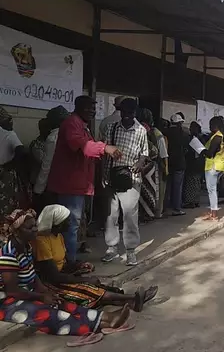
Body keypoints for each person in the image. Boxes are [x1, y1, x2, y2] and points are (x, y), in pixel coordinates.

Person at [0, 209, 131, 343]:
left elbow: (33, 275)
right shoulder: (8, 254)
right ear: (16, 231)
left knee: (62, 303)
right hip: (6, 302)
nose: (35, 229)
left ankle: (106, 317)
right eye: (30, 227)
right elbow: (12, 290)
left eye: (35, 225)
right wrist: (41, 296)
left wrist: (45, 291)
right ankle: (100, 325)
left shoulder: (26, 247)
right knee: (47, 314)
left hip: (26, 292)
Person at [34, 205, 158, 310]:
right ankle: (132, 298)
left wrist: (79, 265)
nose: (69, 223)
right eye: (66, 221)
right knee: (88, 288)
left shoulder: (58, 236)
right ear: (57, 224)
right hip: (50, 284)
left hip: (60, 276)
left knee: (95, 283)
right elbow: (53, 276)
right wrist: (83, 280)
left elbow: (64, 264)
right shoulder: (42, 241)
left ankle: (131, 301)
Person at [49, 96, 122, 264]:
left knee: (74, 224)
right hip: (70, 184)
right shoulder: (71, 123)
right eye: (88, 108)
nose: (92, 111)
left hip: (80, 184)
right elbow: (80, 145)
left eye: (93, 108)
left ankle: (69, 258)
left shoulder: (83, 126)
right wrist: (104, 148)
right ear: (78, 107)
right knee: (70, 224)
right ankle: (69, 263)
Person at [101, 98, 149, 266]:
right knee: (111, 216)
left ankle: (130, 251)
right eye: (125, 113)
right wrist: (104, 177)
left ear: (135, 113)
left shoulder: (141, 131)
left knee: (129, 216)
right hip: (112, 178)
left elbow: (144, 152)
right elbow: (104, 151)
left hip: (132, 179)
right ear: (120, 112)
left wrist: (140, 163)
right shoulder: (111, 128)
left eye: (131, 113)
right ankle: (112, 248)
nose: (127, 116)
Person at [33, 107, 69, 213]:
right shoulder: (74, 133)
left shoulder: (54, 137)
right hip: (74, 185)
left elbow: (47, 166)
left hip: (57, 185)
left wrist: (38, 190)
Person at [0, 106, 29, 217]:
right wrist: (11, 165)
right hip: (5, 174)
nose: (11, 124)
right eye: (9, 120)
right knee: (6, 207)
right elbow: (21, 151)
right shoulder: (9, 134)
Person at [137, 109, 162, 223]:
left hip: (145, 165)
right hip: (146, 165)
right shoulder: (146, 129)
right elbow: (151, 148)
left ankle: (146, 214)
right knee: (148, 191)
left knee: (145, 191)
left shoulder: (143, 127)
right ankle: (147, 214)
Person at [201, 116, 224, 221]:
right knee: (213, 190)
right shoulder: (222, 136)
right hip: (220, 166)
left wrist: (201, 150)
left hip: (213, 166)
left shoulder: (217, 137)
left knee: (211, 190)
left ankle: (214, 214)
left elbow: (209, 154)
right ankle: (213, 212)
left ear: (215, 125)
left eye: (210, 125)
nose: (209, 127)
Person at [165, 113, 189, 217]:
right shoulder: (183, 133)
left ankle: (165, 207)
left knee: (167, 186)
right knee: (177, 187)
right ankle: (176, 208)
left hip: (168, 163)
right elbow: (187, 146)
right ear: (179, 123)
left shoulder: (165, 132)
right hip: (179, 163)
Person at [183, 122, 205, 209]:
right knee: (197, 183)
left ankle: (190, 202)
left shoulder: (193, 139)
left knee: (191, 182)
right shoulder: (202, 138)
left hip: (193, 163)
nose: (190, 129)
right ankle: (196, 201)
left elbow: (192, 152)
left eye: (192, 128)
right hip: (199, 163)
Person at [28, 118, 51, 190]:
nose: (50, 131)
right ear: (41, 129)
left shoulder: (49, 142)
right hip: (38, 182)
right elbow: (45, 162)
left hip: (46, 181)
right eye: (47, 128)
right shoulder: (36, 145)